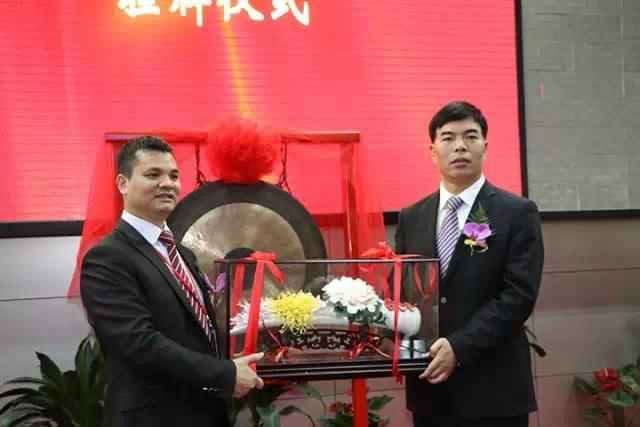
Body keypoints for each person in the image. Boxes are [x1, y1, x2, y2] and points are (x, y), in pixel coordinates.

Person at [80, 136, 264, 427]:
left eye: (174, 176)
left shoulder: (184, 254)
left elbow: (192, 329)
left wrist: (232, 354)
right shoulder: (107, 258)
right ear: (123, 184)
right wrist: (224, 374)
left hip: (205, 412)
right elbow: (140, 343)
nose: (167, 183)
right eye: (153, 174)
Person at [395, 101, 544, 427]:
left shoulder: (517, 212)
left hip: (494, 390)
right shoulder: (411, 216)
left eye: (470, 136)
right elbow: (405, 294)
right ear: (433, 151)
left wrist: (459, 347)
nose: (460, 146)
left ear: (485, 147)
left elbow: (519, 296)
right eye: (448, 138)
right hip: (430, 389)